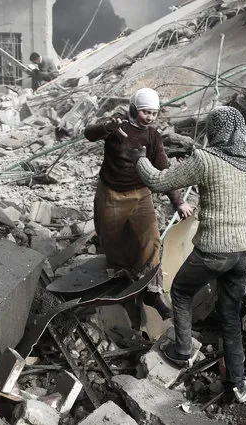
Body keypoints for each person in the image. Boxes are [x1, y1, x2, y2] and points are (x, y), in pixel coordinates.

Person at [132, 106, 246, 403]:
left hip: (214, 249)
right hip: (243, 251)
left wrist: (139, 159)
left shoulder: (206, 160)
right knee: (230, 315)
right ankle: (237, 382)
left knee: (182, 292)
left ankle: (182, 351)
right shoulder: (245, 161)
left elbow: (159, 181)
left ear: (215, 130)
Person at [83, 88, 194, 320]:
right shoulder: (117, 126)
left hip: (141, 194)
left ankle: (153, 292)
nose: (150, 117)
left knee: (151, 240)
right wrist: (107, 128)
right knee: (113, 242)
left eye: (154, 113)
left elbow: (164, 171)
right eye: (145, 112)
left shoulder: (153, 136)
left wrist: (178, 202)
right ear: (134, 109)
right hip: (112, 193)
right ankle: (122, 286)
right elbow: (89, 133)